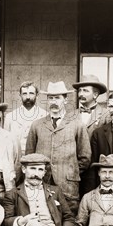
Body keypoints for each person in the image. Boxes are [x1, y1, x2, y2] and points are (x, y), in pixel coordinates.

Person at [25, 81, 91, 215]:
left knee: (68, 219)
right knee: (43, 217)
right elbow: (29, 156)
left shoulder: (77, 124)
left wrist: (70, 171)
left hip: (68, 186)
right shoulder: (37, 125)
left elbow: (85, 157)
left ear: (65, 100)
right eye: (51, 98)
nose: (53, 102)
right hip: (41, 183)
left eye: (57, 98)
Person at [4, 81, 47, 154]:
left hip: (37, 159)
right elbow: (6, 142)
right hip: (16, 158)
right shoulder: (10, 117)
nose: (28, 97)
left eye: (31, 93)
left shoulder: (45, 115)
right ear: (20, 95)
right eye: (24, 93)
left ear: (37, 95)